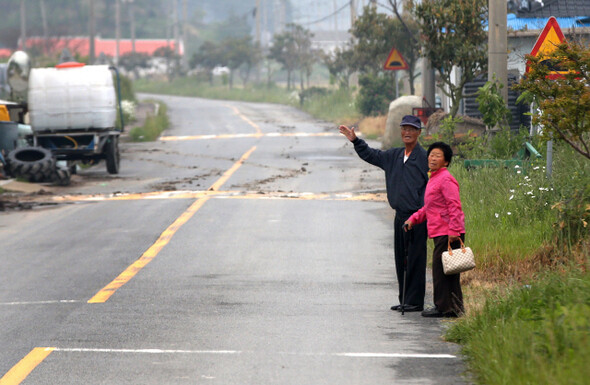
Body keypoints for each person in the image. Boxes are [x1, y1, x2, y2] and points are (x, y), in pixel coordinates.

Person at [339, 115, 429, 312]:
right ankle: (405, 299)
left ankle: (415, 301)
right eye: (404, 128)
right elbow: (372, 155)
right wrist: (356, 141)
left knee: (415, 259)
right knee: (401, 259)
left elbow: (430, 188)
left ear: (419, 133)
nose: (407, 132)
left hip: (417, 217)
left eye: (412, 129)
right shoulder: (394, 156)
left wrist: (421, 215)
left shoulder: (424, 158)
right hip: (400, 216)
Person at [404, 142, 466, 318]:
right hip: (440, 231)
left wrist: (454, 230)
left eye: (438, 155)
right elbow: (429, 207)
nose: (432, 158)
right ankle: (452, 308)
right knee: (446, 272)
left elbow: (454, 205)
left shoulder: (446, 179)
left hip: (448, 232)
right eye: (431, 154)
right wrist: (413, 219)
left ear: (446, 162)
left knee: (443, 272)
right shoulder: (434, 178)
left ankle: (444, 307)